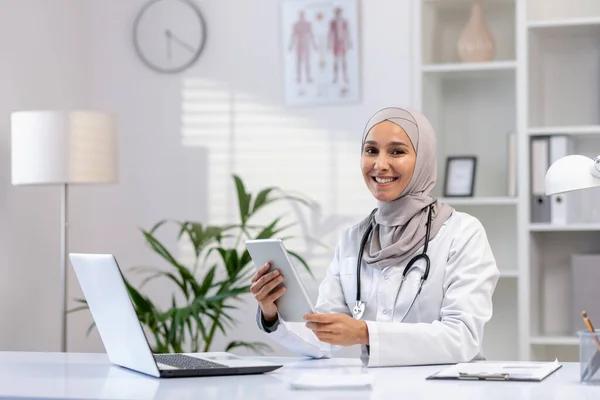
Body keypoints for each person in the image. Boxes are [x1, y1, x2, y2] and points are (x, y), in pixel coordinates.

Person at [251, 107, 500, 367]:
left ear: (423, 159)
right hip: (376, 388)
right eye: (371, 151)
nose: (380, 164)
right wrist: (272, 313)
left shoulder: (462, 232)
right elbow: (323, 340)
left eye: (397, 151)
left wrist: (364, 333)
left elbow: (462, 337)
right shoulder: (353, 240)